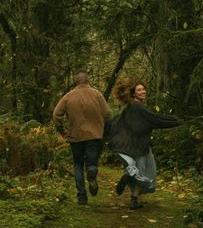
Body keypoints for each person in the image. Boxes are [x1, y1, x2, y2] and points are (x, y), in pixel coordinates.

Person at [106, 77, 183, 210]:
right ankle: (134, 197)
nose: (143, 92)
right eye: (139, 90)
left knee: (137, 172)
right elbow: (157, 119)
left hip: (126, 147)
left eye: (143, 89)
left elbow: (115, 123)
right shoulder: (140, 108)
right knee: (146, 174)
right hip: (139, 147)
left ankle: (130, 182)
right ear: (133, 93)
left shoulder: (128, 108)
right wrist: (176, 121)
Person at [53, 71, 110, 205]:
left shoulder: (68, 96)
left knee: (78, 165)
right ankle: (91, 171)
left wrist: (63, 131)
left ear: (76, 82)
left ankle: (82, 197)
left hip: (75, 137)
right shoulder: (97, 94)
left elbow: (56, 115)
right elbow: (107, 113)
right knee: (92, 163)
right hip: (94, 136)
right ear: (88, 81)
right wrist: (103, 130)